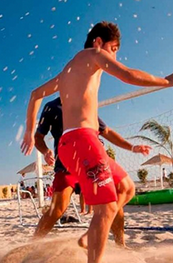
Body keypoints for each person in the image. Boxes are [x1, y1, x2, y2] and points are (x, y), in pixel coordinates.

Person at [22, 21, 173, 263]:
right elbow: (129, 75)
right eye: (114, 48)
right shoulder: (93, 55)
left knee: (126, 188)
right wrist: (166, 82)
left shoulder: (68, 71)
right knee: (105, 207)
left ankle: (90, 237)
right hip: (81, 140)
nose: (114, 56)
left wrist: (28, 132)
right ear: (98, 42)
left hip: (76, 143)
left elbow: (34, 94)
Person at [33, 95, 152, 245]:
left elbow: (106, 131)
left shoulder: (85, 104)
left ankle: (120, 244)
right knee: (57, 209)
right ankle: (31, 245)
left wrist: (132, 147)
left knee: (112, 198)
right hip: (67, 164)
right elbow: (38, 137)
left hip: (94, 162)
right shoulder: (52, 107)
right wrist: (45, 151)